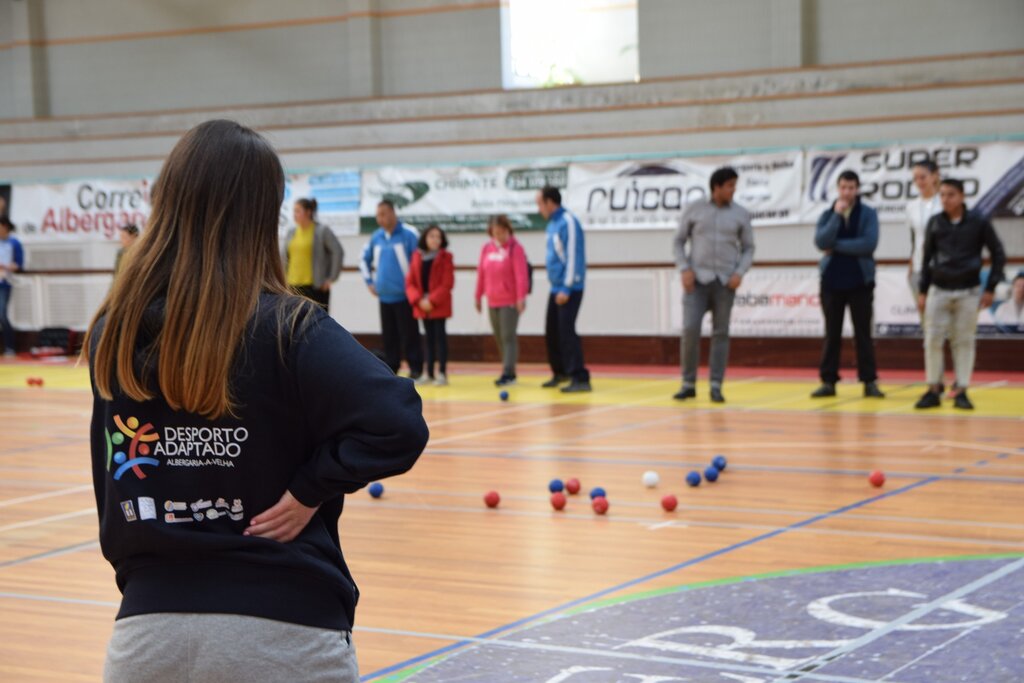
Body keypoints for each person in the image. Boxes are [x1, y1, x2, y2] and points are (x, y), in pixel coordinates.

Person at [82, 120, 428, 682]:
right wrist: (310, 487)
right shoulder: (290, 327)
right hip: (282, 630)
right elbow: (399, 421)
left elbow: (113, 483)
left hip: (145, 637)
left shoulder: (112, 332)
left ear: (166, 200)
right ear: (261, 217)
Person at [915, 178, 1007, 410]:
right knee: (932, 339)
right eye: (942, 195)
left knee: (964, 340)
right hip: (938, 288)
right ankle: (933, 388)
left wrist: (991, 287)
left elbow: (998, 253)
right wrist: (923, 291)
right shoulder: (935, 222)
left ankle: (962, 390)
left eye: (951, 195)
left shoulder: (978, 221)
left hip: (968, 290)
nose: (945, 200)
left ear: (962, 197)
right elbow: (926, 259)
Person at [672, 166, 755, 403]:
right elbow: (678, 241)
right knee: (690, 330)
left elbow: (748, 247)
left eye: (734, 186)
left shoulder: (740, 213)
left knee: (721, 334)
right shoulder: (695, 209)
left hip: (725, 283)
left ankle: (716, 384)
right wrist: (684, 268)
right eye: (729, 186)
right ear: (716, 187)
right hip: (696, 281)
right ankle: (688, 383)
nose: (733, 190)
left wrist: (740, 272)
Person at [811, 170, 885, 399]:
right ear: (838, 188)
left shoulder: (868, 214)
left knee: (863, 333)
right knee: (831, 333)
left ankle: (869, 381)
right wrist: (836, 216)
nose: (847, 192)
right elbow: (821, 241)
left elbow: (868, 244)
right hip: (832, 282)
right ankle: (828, 381)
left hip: (860, 282)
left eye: (851, 188)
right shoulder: (828, 213)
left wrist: (837, 246)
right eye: (843, 187)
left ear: (858, 189)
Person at [360, 200, 423, 378]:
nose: (380, 218)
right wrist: (369, 282)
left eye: (383, 214)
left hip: (405, 296)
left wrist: (416, 289)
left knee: (409, 334)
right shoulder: (376, 237)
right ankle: (392, 368)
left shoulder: (408, 235)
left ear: (393, 213)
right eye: (378, 215)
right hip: (384, 296)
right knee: (389, 336)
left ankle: (416, 368)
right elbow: (363, 260)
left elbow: (418, 264)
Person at [537, 186, 591, 393]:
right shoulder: (552, 224)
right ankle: (560, 372)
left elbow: (573, 257)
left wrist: (566, 288)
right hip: (556, 287)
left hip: (569, 287)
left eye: (540, 204)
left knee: (567, 332)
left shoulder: (567, 221)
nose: (539, 208)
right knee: (552, 331)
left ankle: (580, 376)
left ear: (550, 202)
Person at [475, 214, 529, 386]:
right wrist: (478, 295)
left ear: (507, 230)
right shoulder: (487, 248)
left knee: (508, 336)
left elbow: (521, 275)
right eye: (495, 232)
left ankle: (509, 373)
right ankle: (507, 368)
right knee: (499, 337)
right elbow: (481, 273)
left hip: (509, 301)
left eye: (501, 231)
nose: (498, 235)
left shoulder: (515, 248)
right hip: (492, 300)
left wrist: (521, 297)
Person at [406, 224, 454, 386]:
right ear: (425, 238)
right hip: (422, 305)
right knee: (428, 339)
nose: (435, 240)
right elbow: (410, 282)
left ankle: (442, 373)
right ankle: (430, 373)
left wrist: (431, 301)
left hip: (438, 305)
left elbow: (447, 283)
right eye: (431, 236)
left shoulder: (446, 257)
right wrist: (419, 300)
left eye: (438, 237)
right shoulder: (416, 256)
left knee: (440, 338)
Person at [282, 198, 345, 311]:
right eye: (293, 211)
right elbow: (284, 257)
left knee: (316, 324)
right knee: (294, 324)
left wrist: (331, 278)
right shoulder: (291, 232)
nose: (294, 214)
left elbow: (337, 251)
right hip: (292, 287)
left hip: (315, 287)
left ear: (308, 212)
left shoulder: (321, 231)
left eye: (297, 211)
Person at [0, 215, 24, 357]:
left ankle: (10, 346)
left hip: (5, 282)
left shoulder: (14, 243)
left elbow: (19, 264)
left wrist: (7, 267)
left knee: (2, 314)